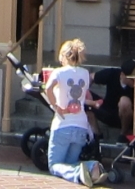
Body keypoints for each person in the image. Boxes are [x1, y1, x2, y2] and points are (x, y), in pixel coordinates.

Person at [45, 39, 107, 186]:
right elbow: (79, 98)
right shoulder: (85, 73)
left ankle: (78, 173)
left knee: (54, 165)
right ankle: (92, 166)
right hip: (81, 125)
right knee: (70, 162)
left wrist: (56, 106)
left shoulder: (58, 72)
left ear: (64, 56)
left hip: (62, 125)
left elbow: (47, 88)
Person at [92, 59, 135, 141]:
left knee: (124, 101)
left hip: (129, 120)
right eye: (131, 78)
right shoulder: (112, 74)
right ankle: (97, 134)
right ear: (122, 75)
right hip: (107, 113)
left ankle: (123, 134)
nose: (134, 80)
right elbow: (90, 77)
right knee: (84, 94)